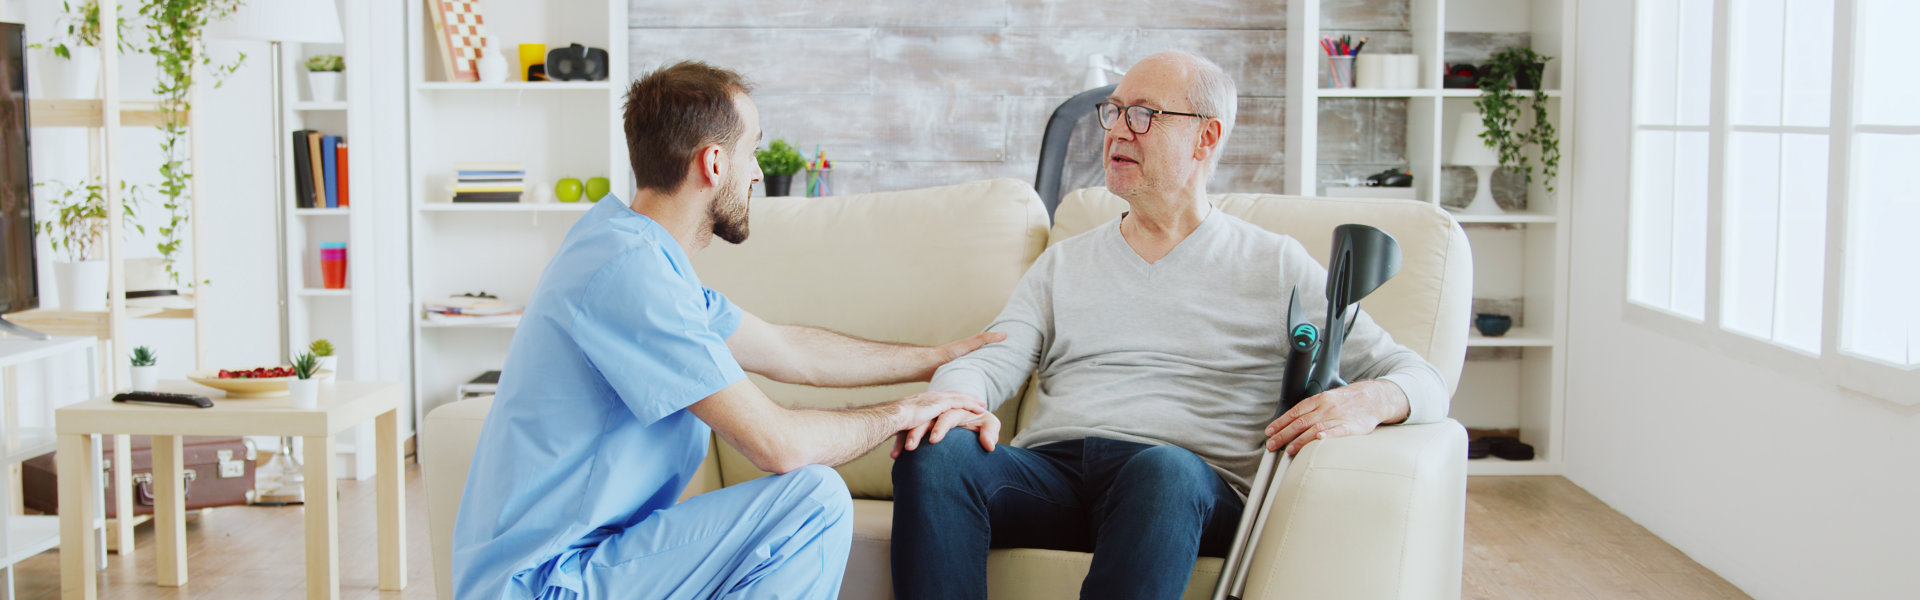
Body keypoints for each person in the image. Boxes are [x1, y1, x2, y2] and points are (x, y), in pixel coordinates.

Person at [889, 50, 1452, 599]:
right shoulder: (1065, 262)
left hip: (1185, 485)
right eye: (1114, 112)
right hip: (1055, 474)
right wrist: (954, 399)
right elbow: (991, 357)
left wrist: (1370, 399)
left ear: (1206, 137)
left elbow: (1420, 377)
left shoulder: (1276, 264)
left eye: (1143, 114)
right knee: (935, 449)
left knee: (1160, 470)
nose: (1117, 131)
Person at [451, 61, 999, 600]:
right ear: (714, 162)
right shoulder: (629, 274)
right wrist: (904, 413)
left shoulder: (638, 257)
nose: (757, 172)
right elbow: (780, 446)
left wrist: (940, 358)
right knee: (812, 499)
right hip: (546, 583)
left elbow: (791, 351)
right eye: (752, 151)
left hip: (590, 567)